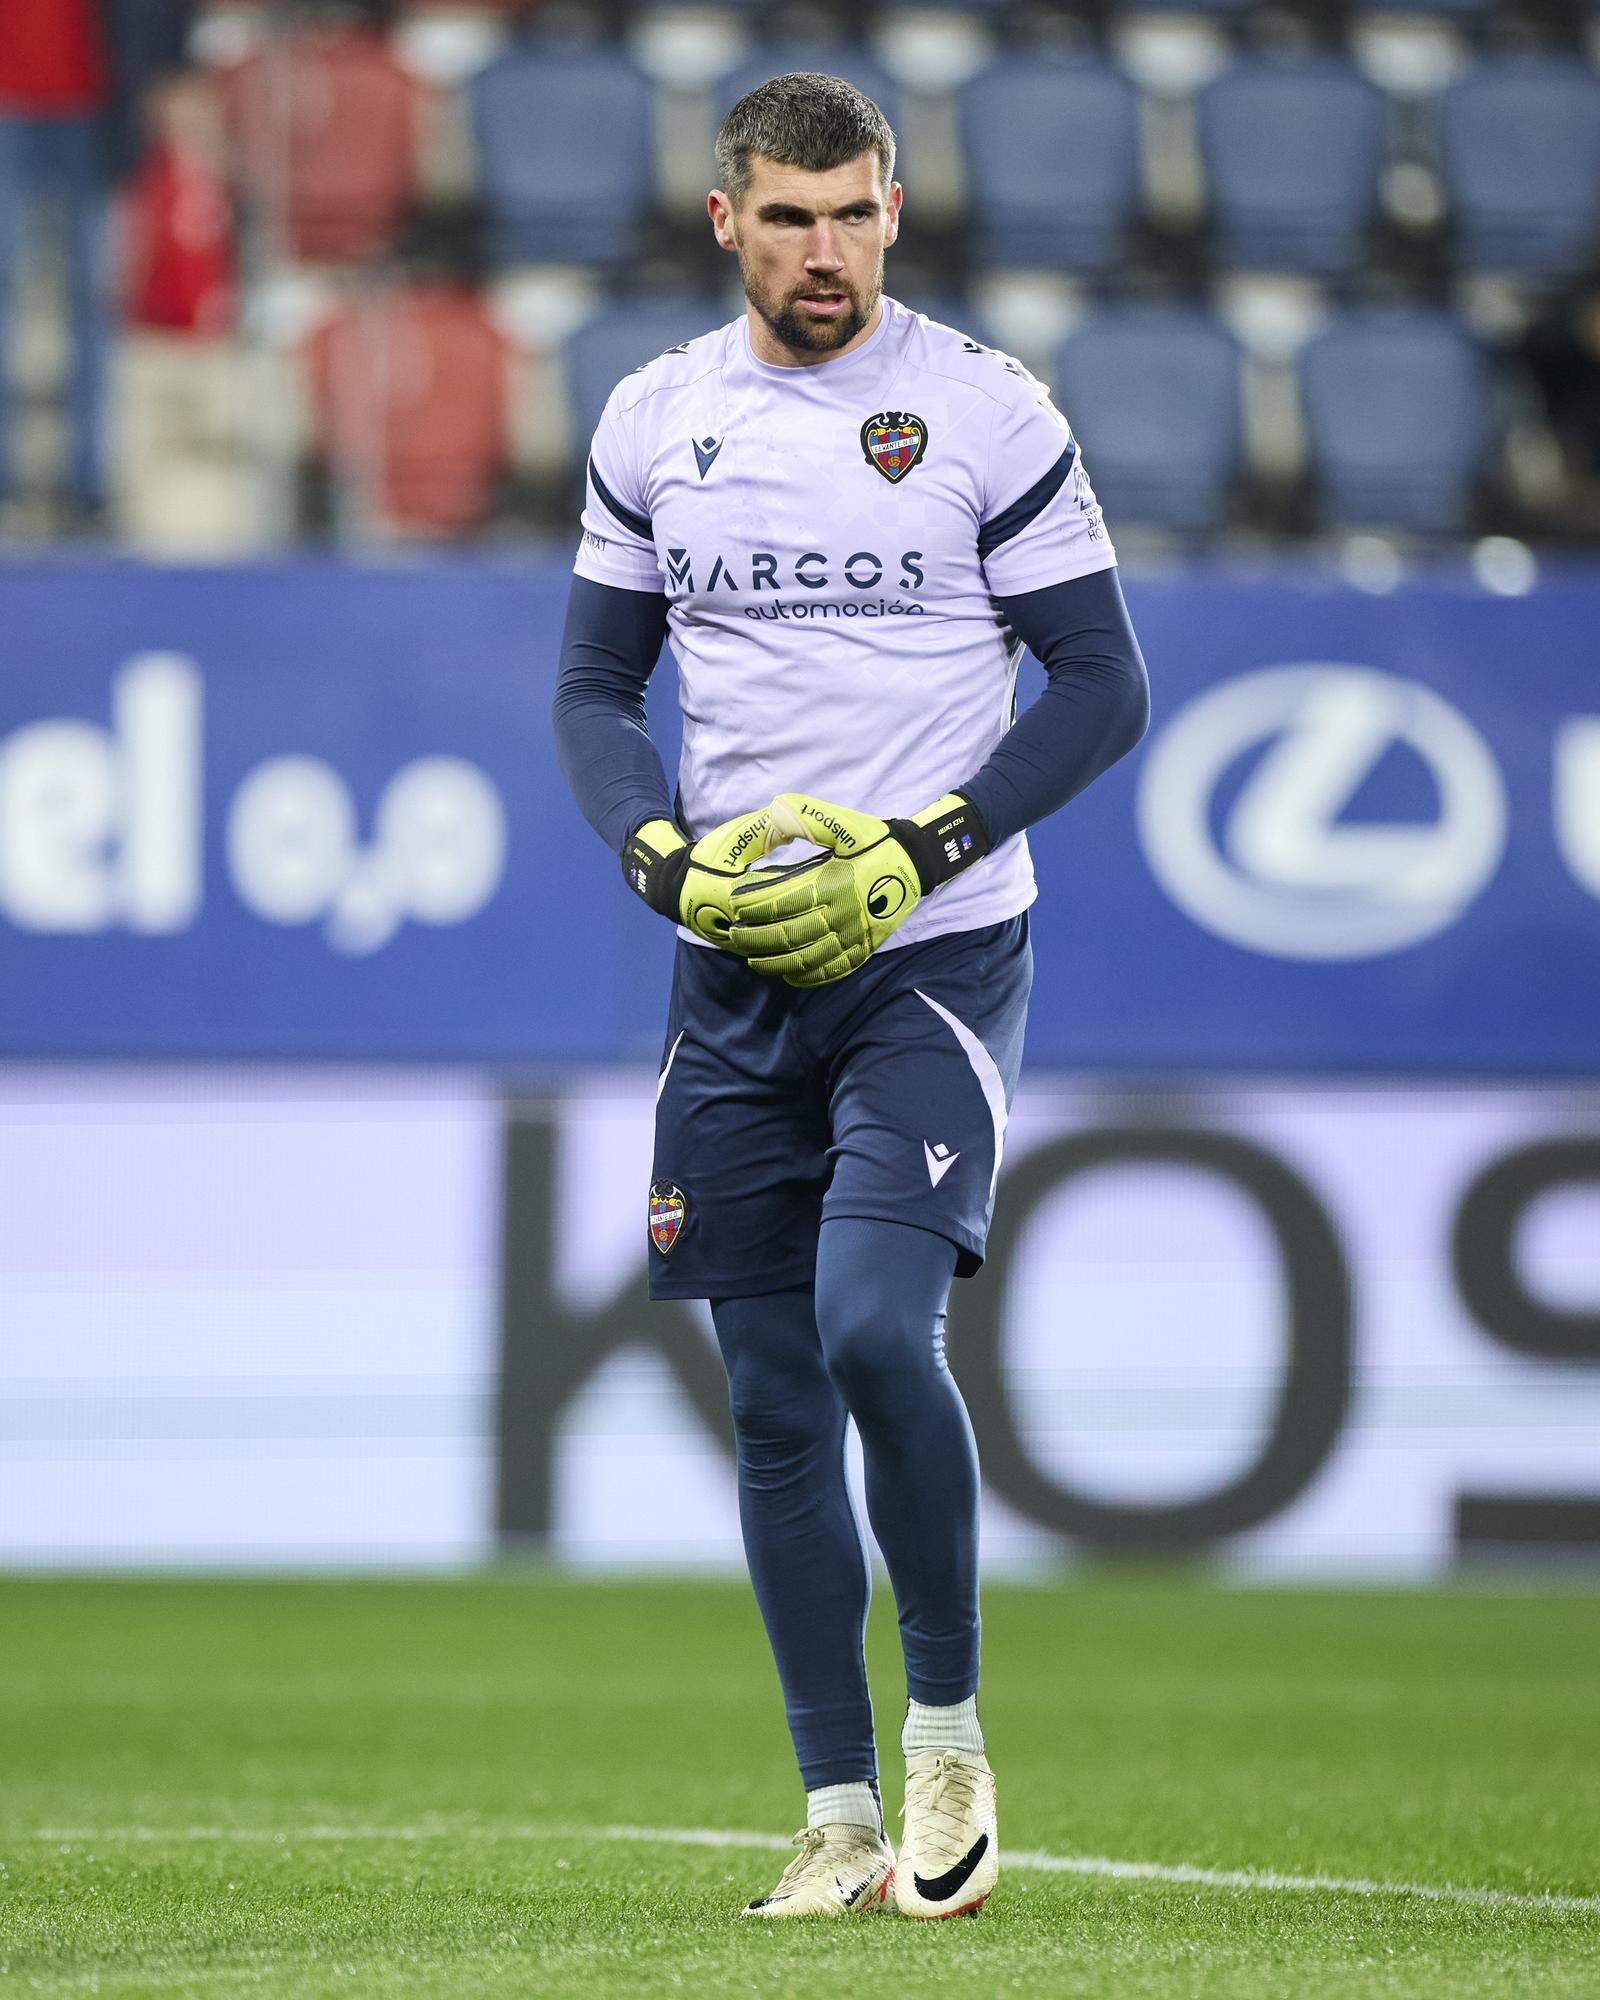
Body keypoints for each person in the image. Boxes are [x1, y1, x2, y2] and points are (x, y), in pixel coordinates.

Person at [552, 72, 1149, 1920]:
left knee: (881, 1330)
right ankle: (834, 1815)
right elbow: (593, 692)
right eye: (792, 218)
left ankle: (948, 1735)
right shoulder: (654, 419)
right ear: (725, 219)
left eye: (856, 214)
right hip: (734, 964)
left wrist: (927, 845)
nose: (829, 251)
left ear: (894, 208)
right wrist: (663, 858)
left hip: (935, 955)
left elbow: (1101, 683)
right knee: (774, 1399)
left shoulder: (985, 409)